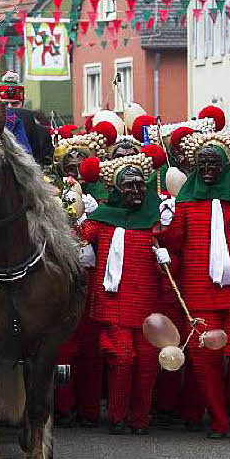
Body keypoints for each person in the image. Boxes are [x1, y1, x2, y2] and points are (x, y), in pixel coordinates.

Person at [158, 126, 230, 438]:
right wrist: (162, 247)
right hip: (199, 291)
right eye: (202, 165)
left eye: (213, 164)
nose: (207, 170)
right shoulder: (187, 205)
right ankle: (219, 420)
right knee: (205, 358)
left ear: (225, 166)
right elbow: (174, 243)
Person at [77, 154, 164, 435]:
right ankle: (117, 415)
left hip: (148, 303)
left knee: (148, 364)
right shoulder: (102, 218)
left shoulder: (156, 218)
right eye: (129, 186)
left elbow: (177, 245)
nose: (136, 191)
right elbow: (78, 236)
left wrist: (168, 250)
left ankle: (140, 418)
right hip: (114, 303)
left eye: (140, 185)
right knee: (123, 359)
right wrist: (76, 215)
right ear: (117, 189)